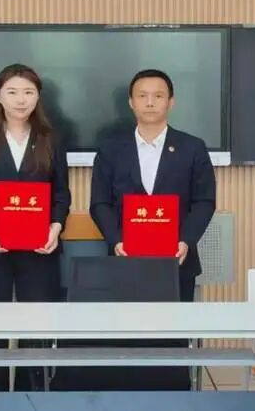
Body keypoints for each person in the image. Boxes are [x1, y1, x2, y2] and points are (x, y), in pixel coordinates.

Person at [0, 63, 71, 390]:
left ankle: (33, 391)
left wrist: (56, 226)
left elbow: (61, 193)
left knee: (37, 325)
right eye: (13, 92)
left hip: (39, 248)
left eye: (29, 92)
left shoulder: (52, 139)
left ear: (38, 96)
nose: (21, 100)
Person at [90, 68, 216, 302]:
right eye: (142, 96)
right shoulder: (110, 149)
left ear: (171, 102)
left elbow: (204, 202)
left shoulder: (192, 148)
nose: (150, 102)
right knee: (126, 324)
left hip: (176, 260)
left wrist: (185, 241)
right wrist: (116, 240)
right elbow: (100, 203)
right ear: (131, 102)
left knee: (175, 325)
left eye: (158, 96)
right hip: (124, 259)